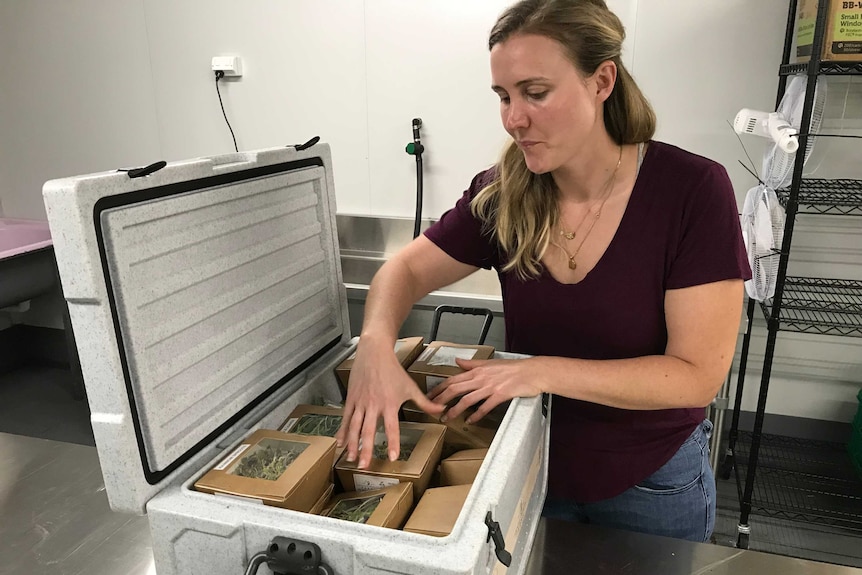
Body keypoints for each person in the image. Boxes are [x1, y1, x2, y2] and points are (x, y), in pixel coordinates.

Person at [335, 0, 750, 543]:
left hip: (651, 481)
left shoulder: (691, 191)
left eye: (535, 93)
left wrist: (541, 371)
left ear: (602, 81)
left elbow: (697, 374)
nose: (513, 118)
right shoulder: (503, 193)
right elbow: (402, 273)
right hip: (530, 463)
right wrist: (375, 344)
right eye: (503, 97)